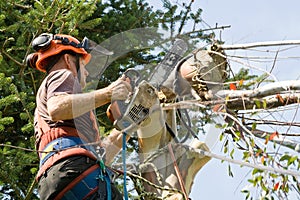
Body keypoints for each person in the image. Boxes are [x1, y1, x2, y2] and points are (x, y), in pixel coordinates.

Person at [26, 33, 131, 200]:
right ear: (68, 59)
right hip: (76, 172)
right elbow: (57, 108)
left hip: (56, 180)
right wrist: (109, 93)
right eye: (83, 64)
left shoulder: (59, 122)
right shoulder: (63, 74)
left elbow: (100, 156)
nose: (87, 72)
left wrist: (129, 125)